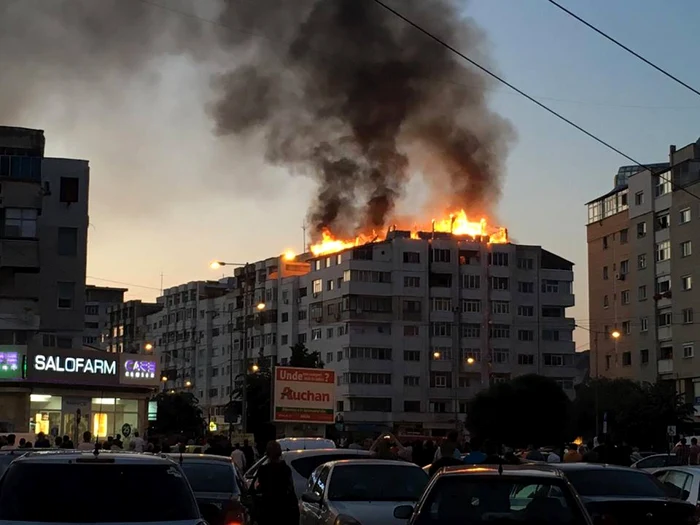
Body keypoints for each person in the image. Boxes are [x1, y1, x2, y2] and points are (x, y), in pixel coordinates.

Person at [254, 441, 299, 525]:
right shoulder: (286, 469)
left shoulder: (263, 470)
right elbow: (290, 489)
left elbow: (260, 488)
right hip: (284, 510)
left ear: (267, 454)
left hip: (268, 511)